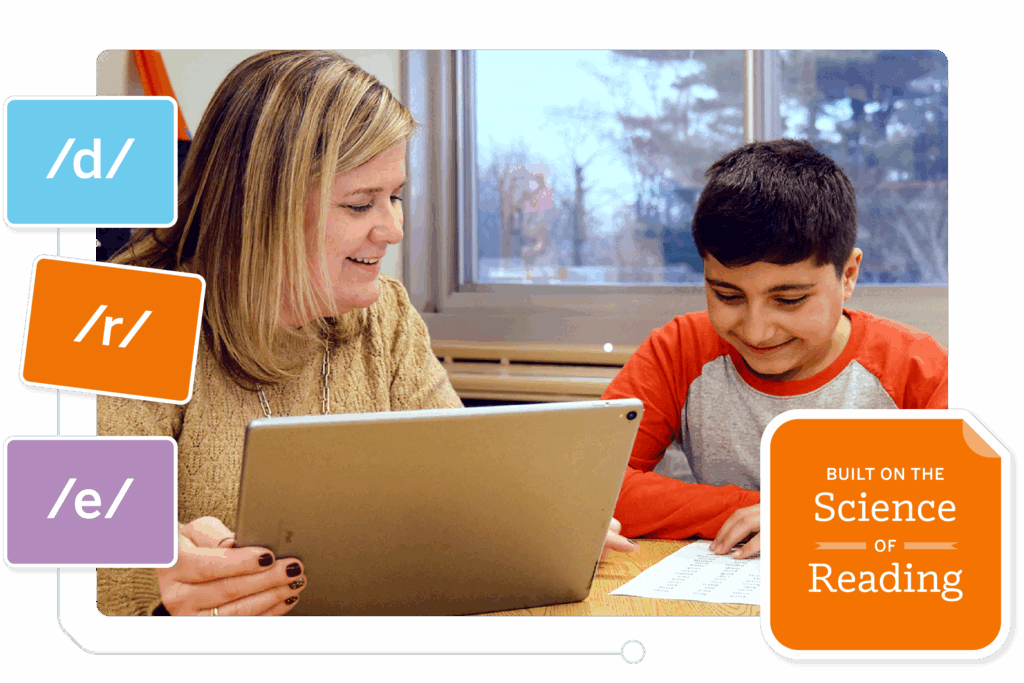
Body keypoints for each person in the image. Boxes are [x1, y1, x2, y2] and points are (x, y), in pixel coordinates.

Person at [96, 50, 634, 616]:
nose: (393, 228)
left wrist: (532, 525)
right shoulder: (123, 315)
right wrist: (156, 582)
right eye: (360, 204)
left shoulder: (386, 317)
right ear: (260, 206)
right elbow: (76, 563)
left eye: (394, 197)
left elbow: (465, 482)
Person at [601, 139, 948, 561]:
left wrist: (815, 515)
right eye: (727, 296)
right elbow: (594, 481)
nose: (757, 331)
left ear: (848, 275)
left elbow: (973, 501)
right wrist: (762, 510)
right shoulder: (678, 349)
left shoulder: (916, 368)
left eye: (789, 300)